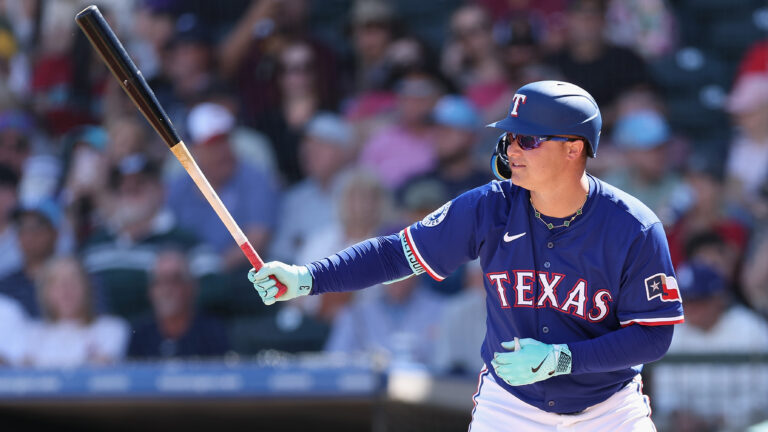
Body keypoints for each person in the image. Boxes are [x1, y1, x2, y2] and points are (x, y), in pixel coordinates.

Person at [249, 80, 684, 430]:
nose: (511, 149)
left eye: (528, 139)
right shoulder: (488, 206)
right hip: (511, 408)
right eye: (510, 136)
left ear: (574, 148)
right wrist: (307, 277)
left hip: (607, 409)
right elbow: (395, 254)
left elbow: (654, 334)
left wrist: (563, 358)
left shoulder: (634, 226)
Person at [22, 256, 129, 368]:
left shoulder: (112, 329)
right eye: (55, 282)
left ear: (87, 287)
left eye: (73, 280)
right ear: (44, 293)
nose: (65, 289)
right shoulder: (32, 335)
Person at [127, 248, 229, 359]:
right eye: (159, 282)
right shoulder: (140, 334)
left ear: (191, 287)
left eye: (174, 281)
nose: (166, 291)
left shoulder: (212, 333)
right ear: (150, 291)